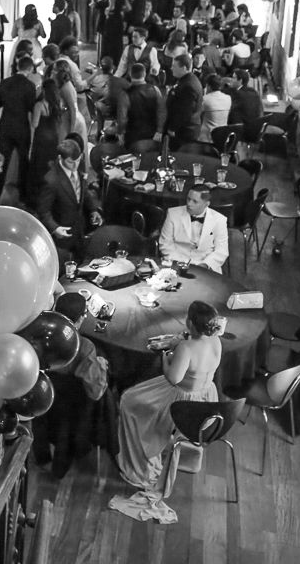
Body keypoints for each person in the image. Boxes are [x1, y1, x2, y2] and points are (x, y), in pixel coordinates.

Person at [117, 301, 223, 491]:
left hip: (182, 400)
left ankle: (141, 462)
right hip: (207, 396)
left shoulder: (187, 348)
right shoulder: (216, 341)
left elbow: (173, 378)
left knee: (129, 401)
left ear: (190, 322)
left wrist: (165, 357)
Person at [31, 292, 109, 479]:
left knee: (39, 422)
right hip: (69, 403)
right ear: (82, 318)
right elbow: (95, 391)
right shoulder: (84, 346)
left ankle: (42, 459)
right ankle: (59, 469)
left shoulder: (39, 334)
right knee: (65, 431)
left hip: (40, 392)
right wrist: (100, 365)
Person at [38, 139, 103, 257]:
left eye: (78, 161)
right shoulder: (51, 180)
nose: (75, 166)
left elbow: (84, 192)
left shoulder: (79, 166)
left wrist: (93, 210)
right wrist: (55, 228)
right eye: (70, 162)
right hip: (62, 235)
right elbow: (43, 211)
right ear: (60, 158)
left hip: (79, 229)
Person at [0, 55, 38, 201]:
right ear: (30, 68)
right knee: (23, 162)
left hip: (6, 126)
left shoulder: (5, 82)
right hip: (22, 128)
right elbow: (31, 107)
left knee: (1, 162)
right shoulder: (30, 86)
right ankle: (23, 195)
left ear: (18, 66)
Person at [159, 187, 230, 273]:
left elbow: (221, 251)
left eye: (195, 201)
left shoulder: (219, 220)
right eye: (188, 199)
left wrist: (205, 265)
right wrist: (181, 264)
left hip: (206, 267)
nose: (189, 204)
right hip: (176, 263)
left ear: (206, 204)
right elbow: (165, 244)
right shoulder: (173, 213)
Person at [117, 63, 167, 149]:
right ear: (144, 74)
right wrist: (159, 131)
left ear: (130, 74)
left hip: (133, 137)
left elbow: (122, 118)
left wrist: (120, 133)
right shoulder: (155, 90)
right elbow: (162, 112)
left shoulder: (125, 94)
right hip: (152, 136)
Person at [165, 53, 204, 144]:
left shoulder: (189, 86)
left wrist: (172, 128)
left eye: (174, 66)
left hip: (185, 130)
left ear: (184, 68)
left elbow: (184, 112)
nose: (171, 68)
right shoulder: (185, 80)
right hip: (183, 128)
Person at [199, 73, 232, 143]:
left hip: (206, 139)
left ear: (208, 86)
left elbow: (197, 114)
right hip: (223, 138)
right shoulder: (228, 98)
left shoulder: (205, 99)